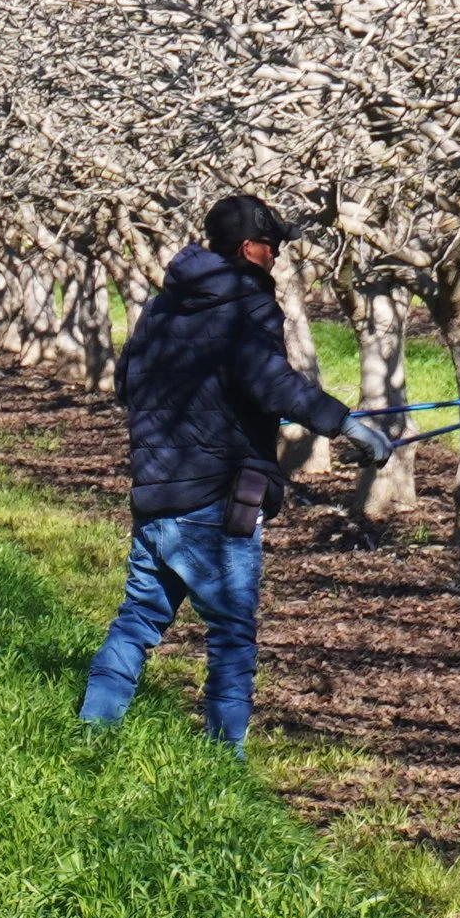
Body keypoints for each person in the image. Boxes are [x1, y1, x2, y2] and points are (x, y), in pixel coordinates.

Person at [79, 194, 392, 756]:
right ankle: (226, 760)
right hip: (215, 500)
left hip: (155, 492)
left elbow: (127, 382)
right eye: (272, 247)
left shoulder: (162, 307)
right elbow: (270, 381)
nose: (275, 259)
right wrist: (346, 425)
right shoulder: (245, 304)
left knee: (138, 620)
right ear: (250, 247)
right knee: (230, 634)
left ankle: (91, 735)